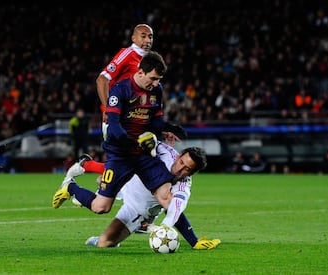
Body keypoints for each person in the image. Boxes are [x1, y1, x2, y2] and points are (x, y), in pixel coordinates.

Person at [52, 51, 186, 217]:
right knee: (101, 207)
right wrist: (128, 142)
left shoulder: (156, 90)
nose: (156, 83)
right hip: (121, 153)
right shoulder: (120, 90)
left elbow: (155, 121)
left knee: (166, 197)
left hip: (144, 154)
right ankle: (71, 187)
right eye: (153, 78)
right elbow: (114, 125)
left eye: (159, 79)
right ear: (140, 72)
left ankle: (193, 241)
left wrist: (169, 127)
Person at [69, 143, 220, 250]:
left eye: (187, 169)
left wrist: (170, 230)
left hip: (136, 208)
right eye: (181, 162)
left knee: (105, 243)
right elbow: (151, 139)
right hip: (128, 181)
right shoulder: (166, 153)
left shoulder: (183, 187)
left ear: (192, 173)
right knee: (101, 202)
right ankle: (74, 185)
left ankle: (119, 232)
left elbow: (175, 209)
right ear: (178, 155)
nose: (180, 168)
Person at [96, 23, 154, 139]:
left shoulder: (149, 59)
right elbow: (101, 80)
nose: (148, 40)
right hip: (118, 116)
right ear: (133, 38)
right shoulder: (128, 54)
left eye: (150, 36)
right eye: (143, 36)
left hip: (134, 116)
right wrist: (108, 109)